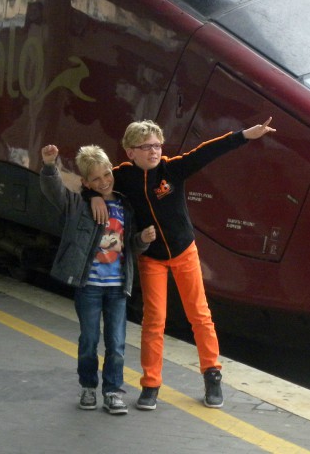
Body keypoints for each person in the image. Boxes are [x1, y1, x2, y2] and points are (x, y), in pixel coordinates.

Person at [87, 118, 276, 410]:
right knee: (154, 321)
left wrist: (245, 136)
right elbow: (95, 182)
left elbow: (206, 151)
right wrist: (92, 197)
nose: (154, 151)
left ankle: (212, 375)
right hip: (153, 258)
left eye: (157, 145)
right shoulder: (122, 177)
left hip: (184, 251)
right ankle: (150, 384)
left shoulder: (172, 169)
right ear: (130, 152)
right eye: (146, 146)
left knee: (199, 314)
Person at [40, 143, 156, 414]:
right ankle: (89, 387)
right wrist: (49, 166)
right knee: (89, 341)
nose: (104, 181)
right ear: (85, 182)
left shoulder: (125, 207)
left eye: (107, 174)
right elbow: (54, 191)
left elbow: (131, 246)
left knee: (116, 343)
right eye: (96, 179)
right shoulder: (78, 205)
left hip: (117, 288)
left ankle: (113, 391)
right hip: (89, 286)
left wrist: (143, 240)